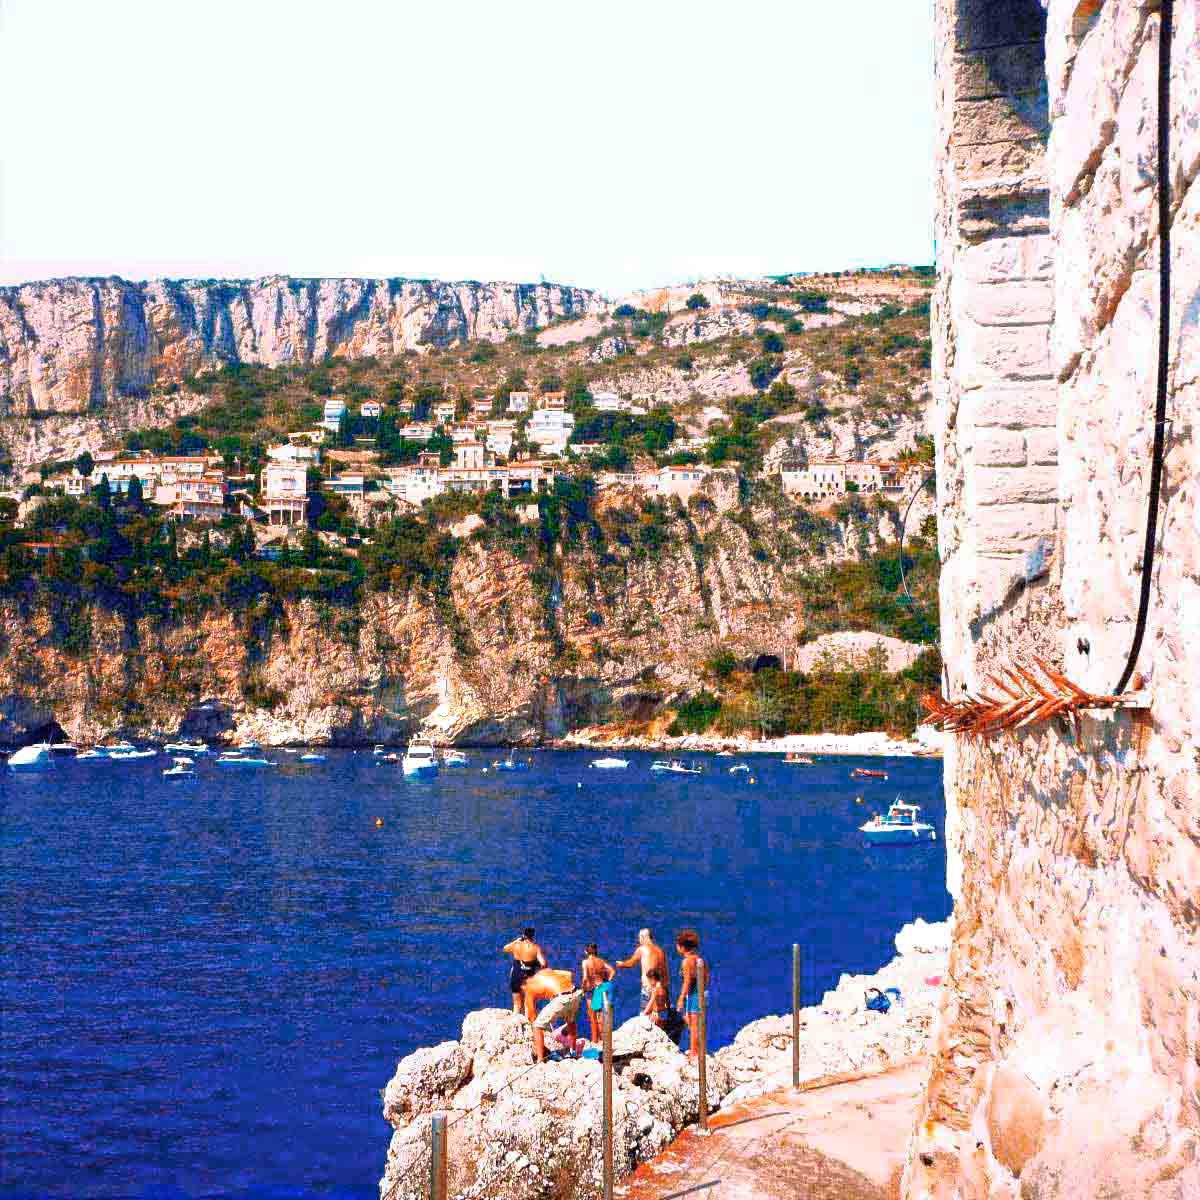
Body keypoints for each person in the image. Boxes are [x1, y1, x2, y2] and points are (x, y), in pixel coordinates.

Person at [524, 967, 584, 1063]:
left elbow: (532, 1016)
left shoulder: (528, 987)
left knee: (537, 1026)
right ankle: (573, 1053)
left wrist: (536, 1037)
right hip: (576, 993)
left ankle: (540, 1060)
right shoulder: (545, 971)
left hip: (562, 998)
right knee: (571, 1021)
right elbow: (569, 974)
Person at [615, 928, 668, 1013]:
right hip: (660, 987)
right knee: (658, 1013)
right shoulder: (660, 951)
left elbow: (631, 963)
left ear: (643, 937)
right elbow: (665, 972)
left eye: (639, 938)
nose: (639, 940)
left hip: (648, 986)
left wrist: (621, 964)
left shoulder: (642, 949)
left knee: (645, 1014)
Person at [675, 929, 709, 1060]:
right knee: (694, 1022)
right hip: (702, 993)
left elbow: (687, 981)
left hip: (693, 994)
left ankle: (694, 1053)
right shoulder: (700, 959)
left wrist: (681, 998)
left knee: (693, 1024)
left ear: (682, 947)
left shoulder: (686, 961)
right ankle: (699, 1048)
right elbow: (706, 977)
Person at [502, 927, 546, 1014]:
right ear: (533, 936)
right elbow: (543, 964)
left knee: (517, 1004)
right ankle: (529, 1025)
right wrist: (535, 965)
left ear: (523, 935)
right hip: (528, 978)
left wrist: (516, 941)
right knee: (528, 1004)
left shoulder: (516, 945)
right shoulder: (536, 948)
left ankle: (515, 1023)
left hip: (516, 975)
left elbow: (505, 948)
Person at [581, 943, 615, 1043]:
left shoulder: (585, 962)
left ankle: (594, 1040)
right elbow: (612, 971)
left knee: (592, 1016)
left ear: (586, 952)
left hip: (590, 990)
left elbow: (585, 978)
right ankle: (603, 1040)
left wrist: (583, 988)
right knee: (601, 1016)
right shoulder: (601, 961)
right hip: (600, 987)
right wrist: (607, 981)